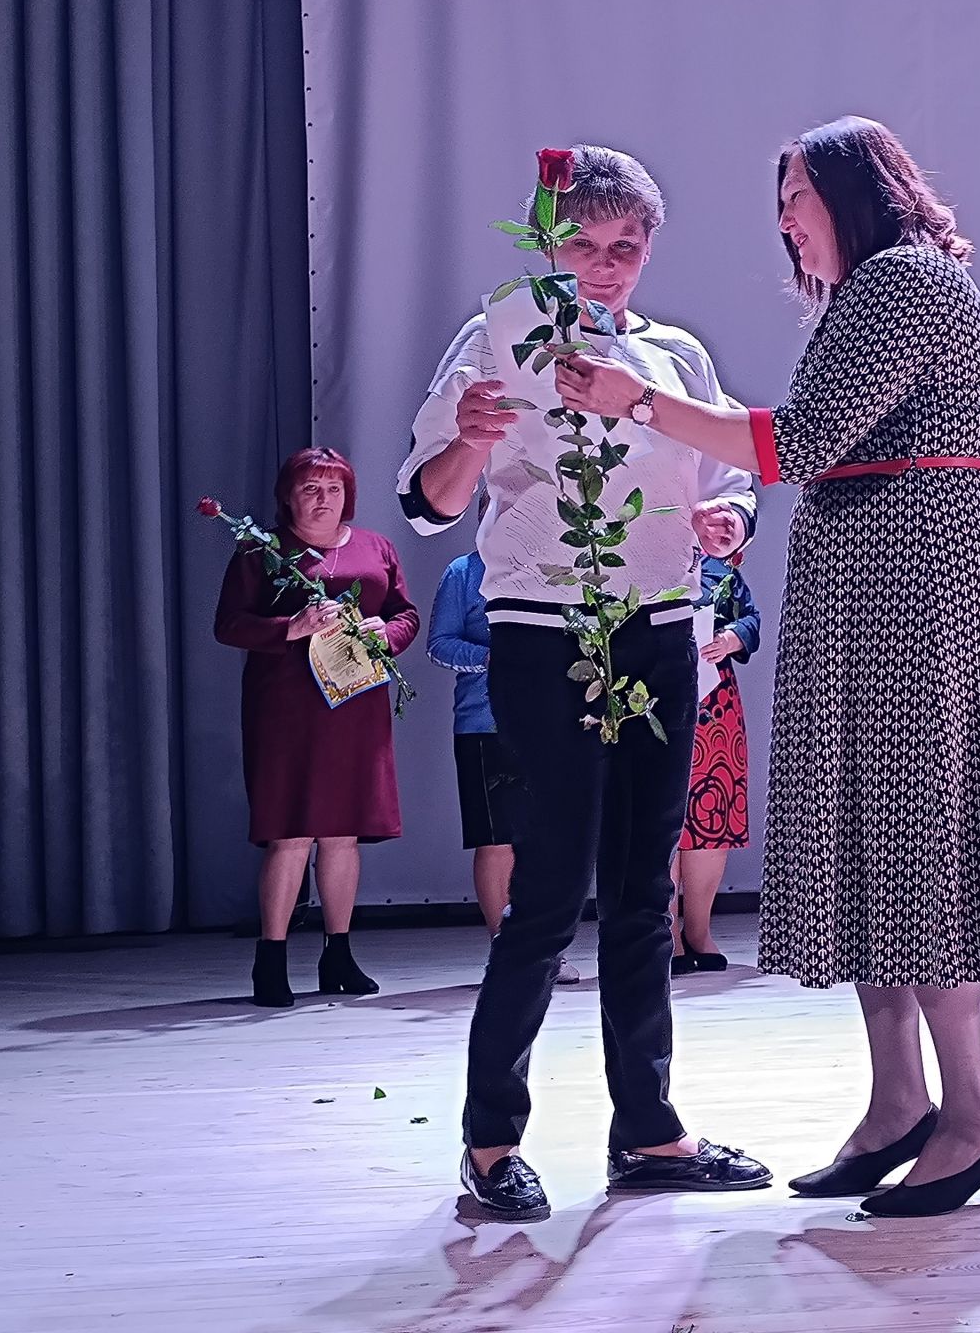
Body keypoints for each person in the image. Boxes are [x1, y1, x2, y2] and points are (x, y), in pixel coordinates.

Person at [557, 114, 980, 1219]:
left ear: (853, 190)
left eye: (797, 198)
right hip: (877, 587)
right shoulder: (866, 294)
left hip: (920, 587)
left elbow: (797, 443)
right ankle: (900, 1105)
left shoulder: (904, 281)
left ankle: (974, 1117)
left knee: (921, 840)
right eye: (779, 205)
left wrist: (637, 399)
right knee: (877, 839)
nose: (785, 222)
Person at [399, 145, 765, 1222]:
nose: (605, 266)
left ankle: (647, 1130)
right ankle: (490, 1141)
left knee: (645, 890)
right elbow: (427, 500)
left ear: (650, 248)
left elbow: (732, 475)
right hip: (540, 627)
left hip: (660, 628)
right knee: (551, 888)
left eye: (626, 246)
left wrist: (728, 520)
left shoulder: (675, 354)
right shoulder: (497, 338)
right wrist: (469, 443)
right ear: (549, 245)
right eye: (585, 245)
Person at [213, 447, 420, 1008]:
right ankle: (271, 959)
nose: (323, 498)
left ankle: (339, 954)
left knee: (342, 833)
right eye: (310, 488)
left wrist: (385, 634)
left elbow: (405, 614)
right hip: (287, 711)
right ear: (288, 496)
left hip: (356, 705)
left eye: (333, 488)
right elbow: (228, 624)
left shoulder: (376, 547)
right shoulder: (261, 549)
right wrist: (291, 626)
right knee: (290, 832)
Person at [425, 518, 580, 985]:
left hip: (554, 725)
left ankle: (546, 949)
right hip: (484, 724)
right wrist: (489, 657)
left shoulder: (559, 569)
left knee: (549, 840)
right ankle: (506, 951)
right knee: (496, 839)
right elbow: (439, 644)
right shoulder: (463, 572)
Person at [670, 552, 762, 976]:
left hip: (714, 707)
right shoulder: (640, 557)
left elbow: (751, 620)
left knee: (712, 815)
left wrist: (730, 638)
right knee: (661, 817)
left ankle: (699, 929)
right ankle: (666, 931)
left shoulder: (719, 570)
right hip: (653, 699)